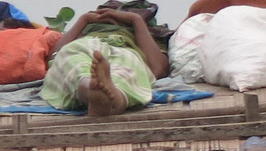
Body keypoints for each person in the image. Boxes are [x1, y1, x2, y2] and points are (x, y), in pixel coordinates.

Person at [41, 7, 171, 116]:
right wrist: (84, 20)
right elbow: (53, 56)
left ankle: (106, 95)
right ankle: (92, 89)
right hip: (87, 43)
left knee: (125, 70)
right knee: (72, 59)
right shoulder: (86, 32)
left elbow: (158, 69)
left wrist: (136, 21)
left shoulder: (149, 36)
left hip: (123, 48)